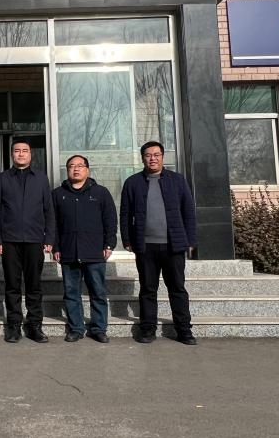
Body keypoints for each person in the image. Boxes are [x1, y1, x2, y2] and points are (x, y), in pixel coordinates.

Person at [119, 141, 198, 346]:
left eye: (156, 154)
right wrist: (127, 239)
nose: (152, 158)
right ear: (142, 158)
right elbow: (125, 214)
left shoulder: (177, 180)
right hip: (146, 246)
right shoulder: (133, 182)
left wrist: (190, 240)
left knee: (177, 288)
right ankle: (147, 329)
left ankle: (184, 330)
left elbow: (188, 211)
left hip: (173, 245)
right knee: (148, 289)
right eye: (148, 155)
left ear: (163, 157)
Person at [0, 139, 56, 343]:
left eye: (24, 151)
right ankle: (14, 325)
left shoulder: (41, 178)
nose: (21, 154)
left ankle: (35, 325)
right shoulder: (2, 179)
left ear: (30, 154)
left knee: (34, 285)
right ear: (12, 154)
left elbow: (48, 210)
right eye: (17, 151)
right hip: (9, 241)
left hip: (35, 240)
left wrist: (49, 237)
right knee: (12, 284)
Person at [53, 155, 117, 344]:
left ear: (87, 170)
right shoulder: (57, 194)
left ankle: (99, 329)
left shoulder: (101, 193)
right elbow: (53, 223)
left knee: (98, 292)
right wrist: (56, 247)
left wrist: (109, 244)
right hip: (68, 251)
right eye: (71, 166)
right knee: (71, 293)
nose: (76, 169)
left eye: (80, 166)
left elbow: (110, 220)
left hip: (94, 252)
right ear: (67, 170)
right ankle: (76, 329)